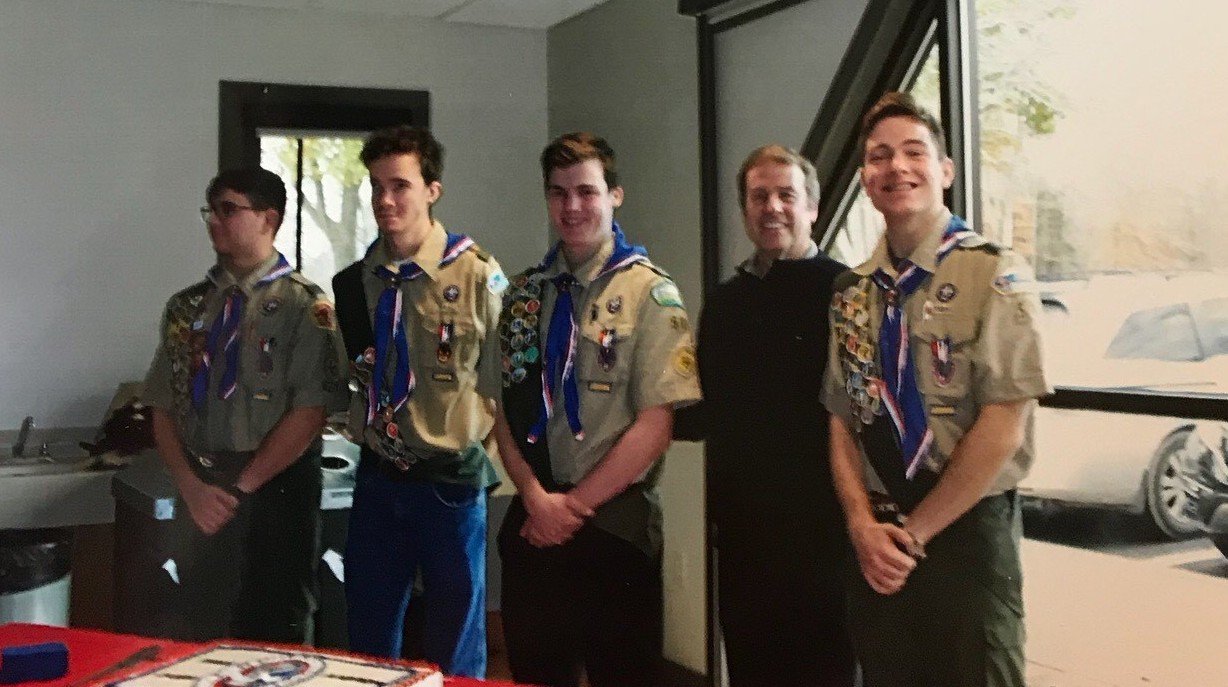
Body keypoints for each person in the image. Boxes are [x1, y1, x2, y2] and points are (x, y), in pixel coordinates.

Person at [822, 91, 1051, 687]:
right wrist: (859, 525)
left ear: (944, 170)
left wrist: (914, 536)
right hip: (877, 540)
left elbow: (1005, 424)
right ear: (866, 182)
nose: (895, 166)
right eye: (878, 156)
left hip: (963, 533)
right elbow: (843, 419)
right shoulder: (851, 293)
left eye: (913, 152)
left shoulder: (994, 273)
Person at [492, 132, 702, 687]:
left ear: (615, 196)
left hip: (615, 526)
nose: (572, 207)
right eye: (558, 193)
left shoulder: (651, 295)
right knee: (538, 675)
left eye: (586, 191)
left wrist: (572, 508)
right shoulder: (521, 297)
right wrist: (537, 501)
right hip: (535, 518)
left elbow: (657, 426)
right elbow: (503, 413)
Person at [674, 145, 855, 686]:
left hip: (823, 534)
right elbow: (702, 409)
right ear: (744, 209)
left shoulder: (845, 292)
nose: (771, 207)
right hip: (743, 534)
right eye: (759, 196)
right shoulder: (727, 301)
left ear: (812, 208)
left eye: (786, 195)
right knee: (752, 670)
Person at [143, 166, 348, 643]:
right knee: (200, 623)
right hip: (203, 488)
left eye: (228, 209)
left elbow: (311, 412)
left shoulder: (306, 306)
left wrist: (240, 489)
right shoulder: (187, 307)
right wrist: (192, 488)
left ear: (267, 219)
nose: (214, 221)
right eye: (210, 211)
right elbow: (161, 407)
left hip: (277, 489)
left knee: (277, 627)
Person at [331, 125, 506, 678]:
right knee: (369, 635)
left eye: (400, 185)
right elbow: (349, 379)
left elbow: (509, 386)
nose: (385, 200)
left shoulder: (477, 275)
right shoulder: (355, 284)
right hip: (381, 479)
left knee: (456, 639)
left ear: (433, 190)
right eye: (376, 186)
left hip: (450, 482)